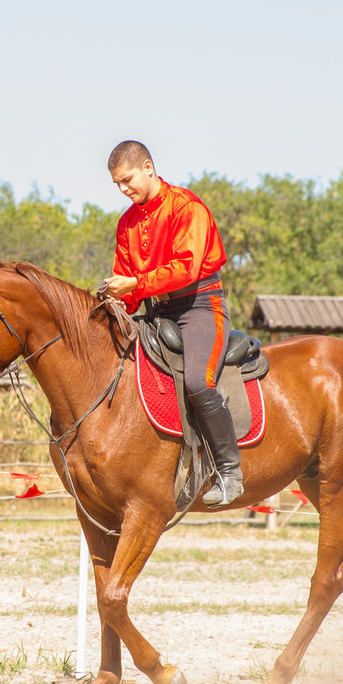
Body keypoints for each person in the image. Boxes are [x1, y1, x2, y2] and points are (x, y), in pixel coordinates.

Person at [100, 140, 244, 508]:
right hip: (156, 311)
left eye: (127, 179)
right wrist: (114, 299)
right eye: (116, 184)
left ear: (148, 167)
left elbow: (186, 269)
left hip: (199, 306)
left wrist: (135, 285)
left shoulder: (186, 208)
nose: (123, 189)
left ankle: (230, 472)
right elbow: (127, 282)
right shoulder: (126, 223)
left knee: (198, 380)